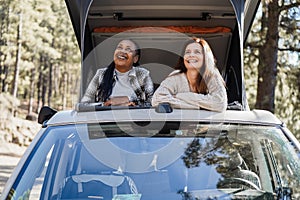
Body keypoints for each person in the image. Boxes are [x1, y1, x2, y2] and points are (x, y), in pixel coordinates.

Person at [152, 37, 227, 112]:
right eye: (187, 52)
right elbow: (156, 99)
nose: (191, 55)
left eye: (197, 52)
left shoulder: (212, 76)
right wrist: (204, 106)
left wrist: (181, 96)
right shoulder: (176, 76)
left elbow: (220, 103)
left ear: (205, 57)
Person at [81, 39, 154, 106]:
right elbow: (84, 104)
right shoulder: (101, 74)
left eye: (128, 49)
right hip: (106, 119)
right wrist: (106, 104)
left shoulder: (143, 74)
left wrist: (129, 99)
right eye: (119, 48)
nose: (122, 51)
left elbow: (152, 103)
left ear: (135, 59)